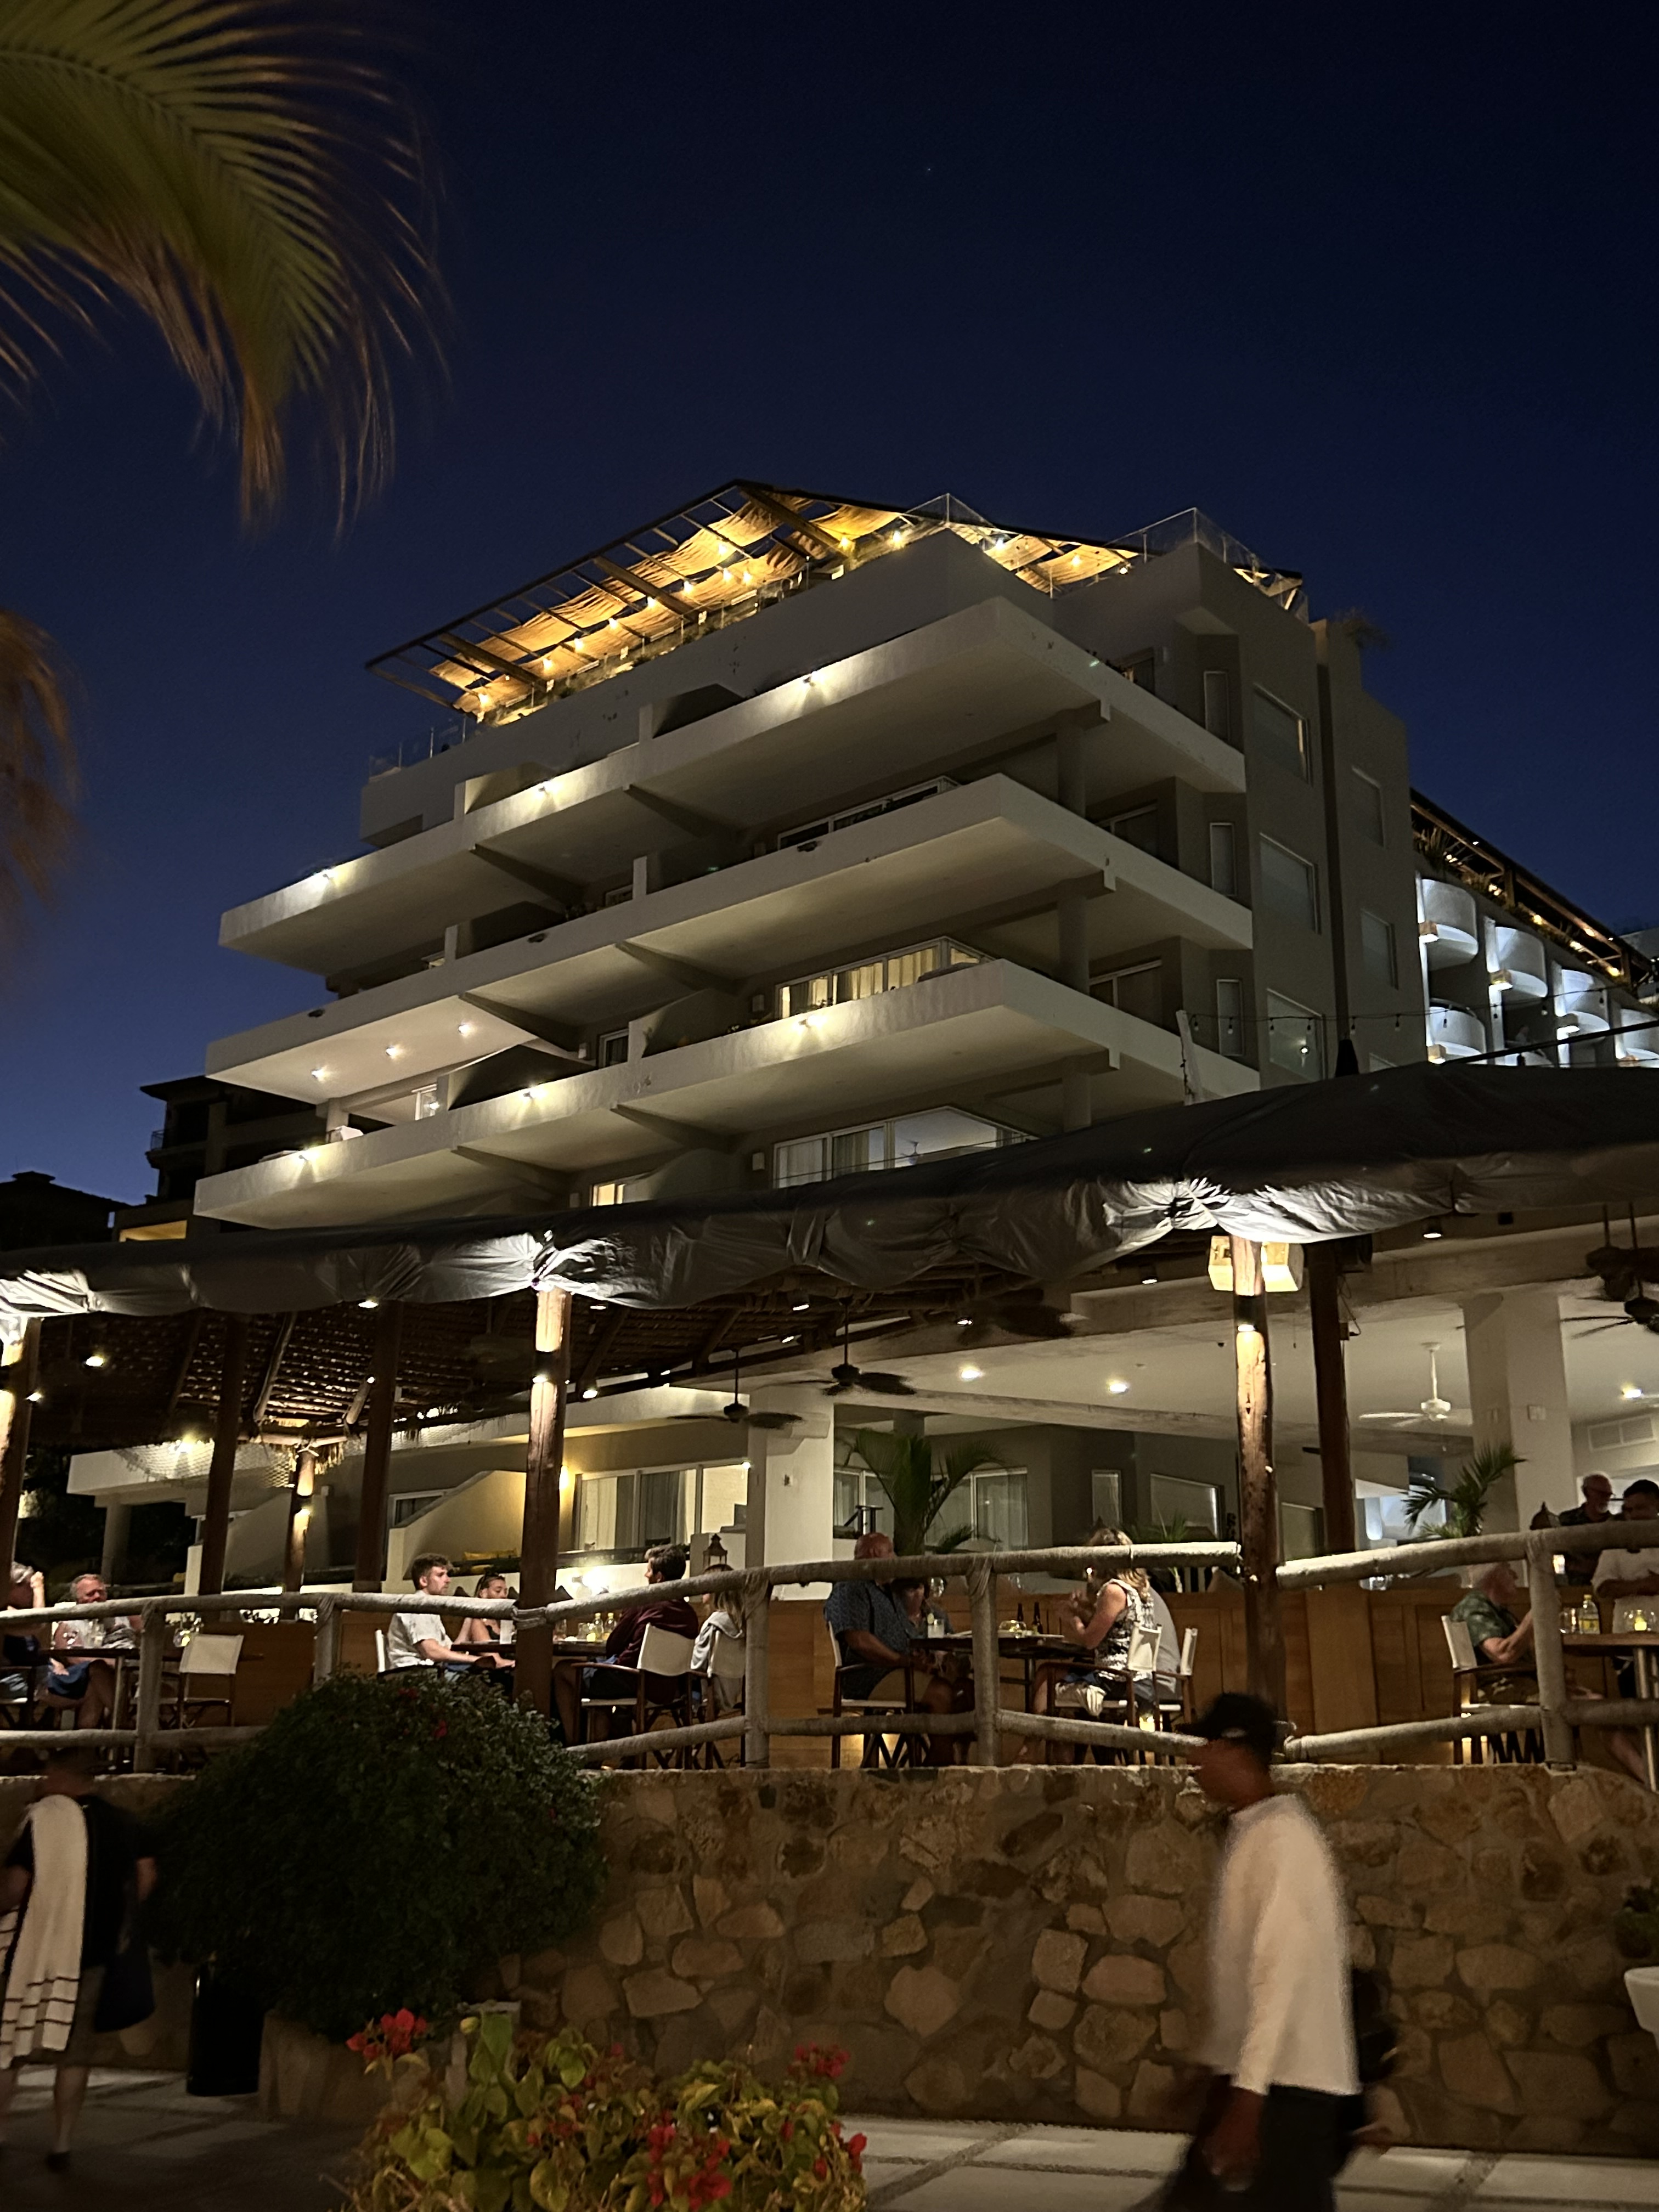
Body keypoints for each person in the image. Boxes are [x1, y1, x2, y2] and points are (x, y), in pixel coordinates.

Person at [1161, 1692, 1359, 2211]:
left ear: (1235, 1750)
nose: (1195, 1759)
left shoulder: (1283, 1841)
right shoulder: (1255, 1832)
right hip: (1259, 2080)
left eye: (1206, 1745)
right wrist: (1213, 2067)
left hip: (1287, 2087)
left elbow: (1278, 1975)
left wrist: (1248, 2099)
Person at [0, 1744, 157, 2170]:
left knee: (10, 2043)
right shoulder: (124, 1823)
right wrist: (119, 1918)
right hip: (93, 1952)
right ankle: (63, 2142)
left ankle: (1, 2131)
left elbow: (15, 1887)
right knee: (75, 2052)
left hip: (34, 1949)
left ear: (60, 1777)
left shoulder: (42, 1822)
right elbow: (146, 1876)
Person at [822, 1533, 967, 1763]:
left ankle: (935, 1764)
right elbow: (859, 1640)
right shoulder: (850, 1588)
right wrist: (903, 1660)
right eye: (891, 1552)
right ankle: (941, 1769)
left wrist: (922, 1658)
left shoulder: (888, 1591)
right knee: (941, 1693)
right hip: (870, 1674)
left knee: (965, 1690)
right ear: (874, 1555)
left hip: (900, 1668)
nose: (896, 1559)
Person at [554, 1544, 699, 1746]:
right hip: (670, 1688)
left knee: (563, 1671)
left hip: (632, 1680)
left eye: (649, 1570)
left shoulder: (643, 1603)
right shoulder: (690, 1615)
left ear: (659, 1577)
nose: (646, 1575)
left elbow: (613, 1646)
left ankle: (573, 1746)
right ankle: (601, 1745)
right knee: (599, 1680)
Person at [1045, 1527, 1163, 1726]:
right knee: (1064, 1674)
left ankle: (1036, 1739)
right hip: (1141, 1681)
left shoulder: (1113, 1591)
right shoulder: (1140, 1591)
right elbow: (1116, 1627)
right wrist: (1082, 1609)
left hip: (1117, 1680)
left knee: (1047, 1674)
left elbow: (1089, 1641)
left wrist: (1071, 1617)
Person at [1591, 1478, 1659, 1785]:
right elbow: (1602, 1587)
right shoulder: (1616, 1543)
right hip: (1628, 1642)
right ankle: (1652, 1783)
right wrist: (1643, 1585)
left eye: (1640, 1508)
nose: (1633, 1515)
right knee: (1638, 1715)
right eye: (1628, 1510)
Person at [386, 1555, 511, 1679]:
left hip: (434, 1671)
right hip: (414, 1674)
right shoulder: (418, 1607)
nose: (448, 1580)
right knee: (492, 1679)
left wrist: (470, 1620)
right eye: (440, 1575)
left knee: (494, 1676)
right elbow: (432, 1652)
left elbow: (450, 1650)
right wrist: (476, 1660)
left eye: (447, 1575)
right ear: (424, 1581)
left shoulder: (431, 1608)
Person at [43, 1573, 139, 1730]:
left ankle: (91, 1739)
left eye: (101, 1592)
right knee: (98, 1675)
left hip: (131, 1671)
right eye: (90, 1594)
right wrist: (111, 1663)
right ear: (78, 1599)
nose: (97, 1597)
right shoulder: (69, 1623)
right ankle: (123, 1723)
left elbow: (149, 1628)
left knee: (100, 1682)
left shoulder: (121, 1615)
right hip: (95, 1673)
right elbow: (73, 1657)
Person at [1448, 1562, 1535, 1672]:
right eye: (1508, 1570)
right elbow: (1503, 1655)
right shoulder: (1474, 1605)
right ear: (1494, 1576)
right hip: (1503, 1681)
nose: (1515, 1576)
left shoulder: (1499, 1610)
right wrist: (1535, 1615)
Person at [3, 1562, 46, 1713]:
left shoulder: (18, 1612)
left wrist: (55, 1662)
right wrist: (39, 1589)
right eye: (29, 1587)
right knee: (93, 1678)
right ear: (14, 1587)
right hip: (17, 1678)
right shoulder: (5, 1613)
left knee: (95, 1675)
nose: (31, 1592)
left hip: (34, 1674)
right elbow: (38, 1623)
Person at [1558, 1472, 1615, 1586]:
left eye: (1608, 1495)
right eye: (1601, 1494)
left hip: (1608, 1585)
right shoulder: (1567, 1520)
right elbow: (1556, 1553)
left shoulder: (1615, 1524)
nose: (1605, 1499)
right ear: (1587, 1492)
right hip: (1573, 1586)